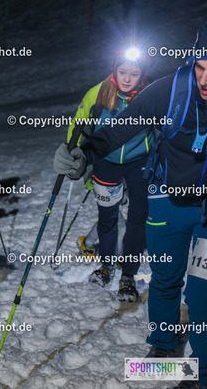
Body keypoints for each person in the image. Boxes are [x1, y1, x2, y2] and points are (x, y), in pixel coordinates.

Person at [53, 23, 207, 388]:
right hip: (166, 201)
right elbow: (121, 128)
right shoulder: (169, 90)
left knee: (202, 292)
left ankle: (201, 374)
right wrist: (84, 153)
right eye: (201, 67)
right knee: (165, 279)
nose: (205, 80)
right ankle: (162, 349)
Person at [65, 46, 152, 301]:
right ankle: (106, 267)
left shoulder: (150, 95)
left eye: (134, 74)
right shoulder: (98, 92)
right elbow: (78, 123)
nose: (127, 78)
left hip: (139, 162)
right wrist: (71, 154)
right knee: (108, 217)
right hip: (106, 162)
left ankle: (128, 276)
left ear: (142, 75)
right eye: (123, 72)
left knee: (137, 219)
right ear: (114, 69)